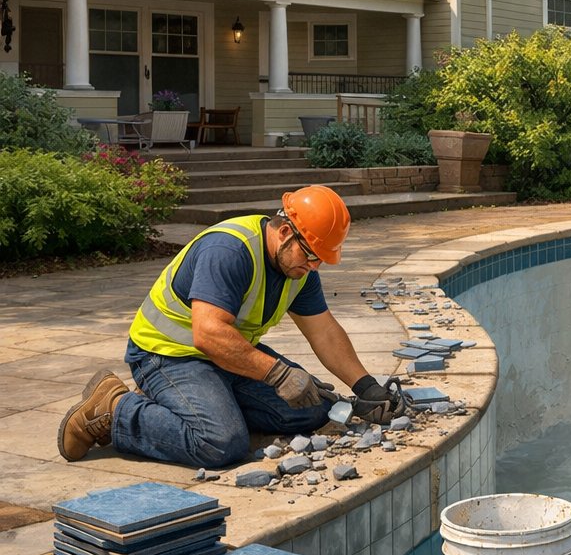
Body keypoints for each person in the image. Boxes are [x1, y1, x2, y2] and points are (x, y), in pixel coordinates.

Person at [56, 185, 409, 468]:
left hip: (226, 356)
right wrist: (277, 374)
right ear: (285, 232)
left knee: (313, 409)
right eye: (312, 255)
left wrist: (366, 387)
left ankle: (199, 406)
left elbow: (325, 331)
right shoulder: (229, 250)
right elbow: (208, 333)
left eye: (322, 258)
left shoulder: (298, 269)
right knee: (220, 443)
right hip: (165, 354)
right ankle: (115, 410)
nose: (315, 266)